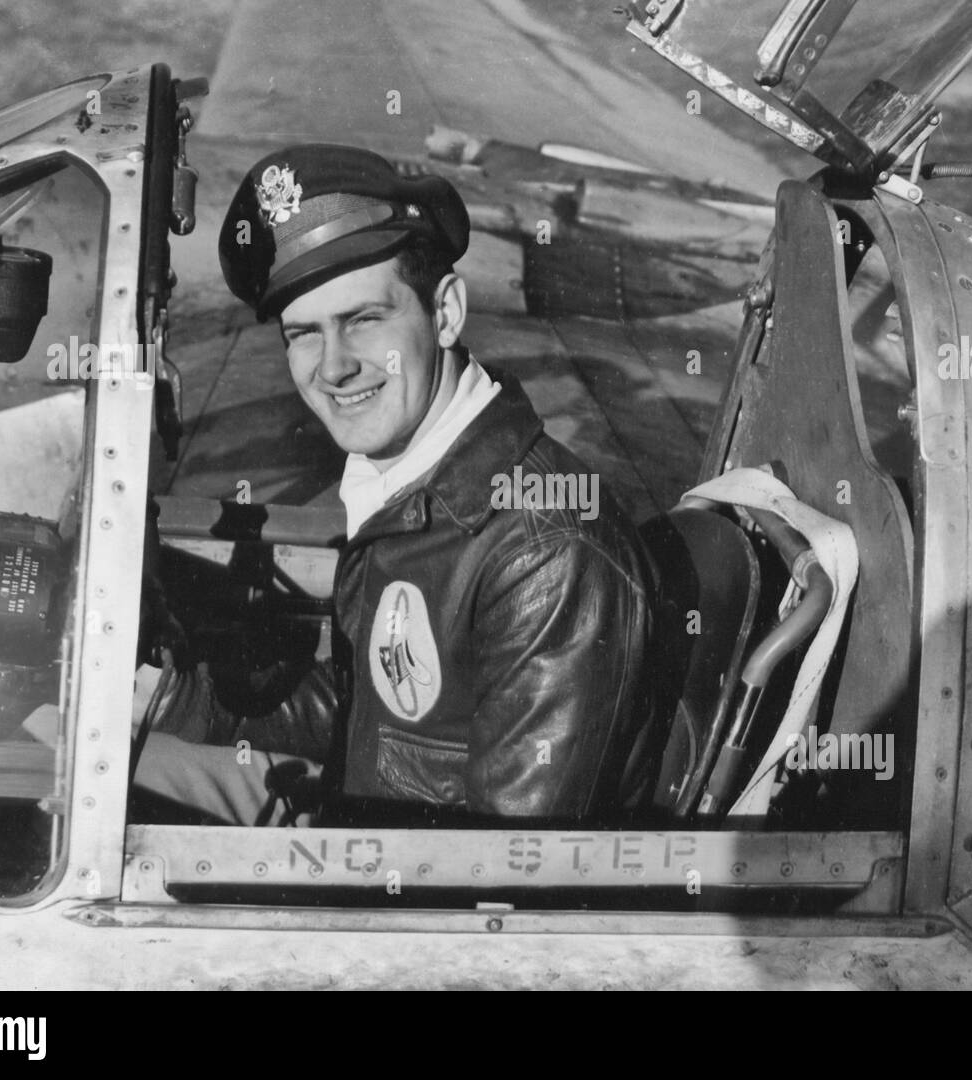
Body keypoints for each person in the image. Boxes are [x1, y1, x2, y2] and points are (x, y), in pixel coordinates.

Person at [133, 144, 659, 822]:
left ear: (445, 313)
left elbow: (503, 878)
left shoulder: (544, 551)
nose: (334, 367)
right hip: (368, 842)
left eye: (363, 321)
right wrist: (176, 692)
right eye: (304, 333)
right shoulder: (409, 482)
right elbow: (380, 720)